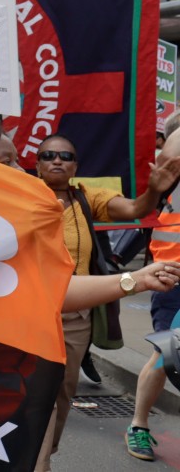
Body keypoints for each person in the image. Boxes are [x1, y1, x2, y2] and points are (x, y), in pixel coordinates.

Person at [0, 124, 180, 470]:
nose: (55, 163)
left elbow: (52, 289)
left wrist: (135, 277)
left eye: (66, 157)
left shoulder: (73, 199)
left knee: (52, 400)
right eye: (46, 156)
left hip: (51, 333)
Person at [126, 116, 180, 461]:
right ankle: (138, 425)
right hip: (175, 274)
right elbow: (171, 152)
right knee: (167, 354)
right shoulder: (173, 162)